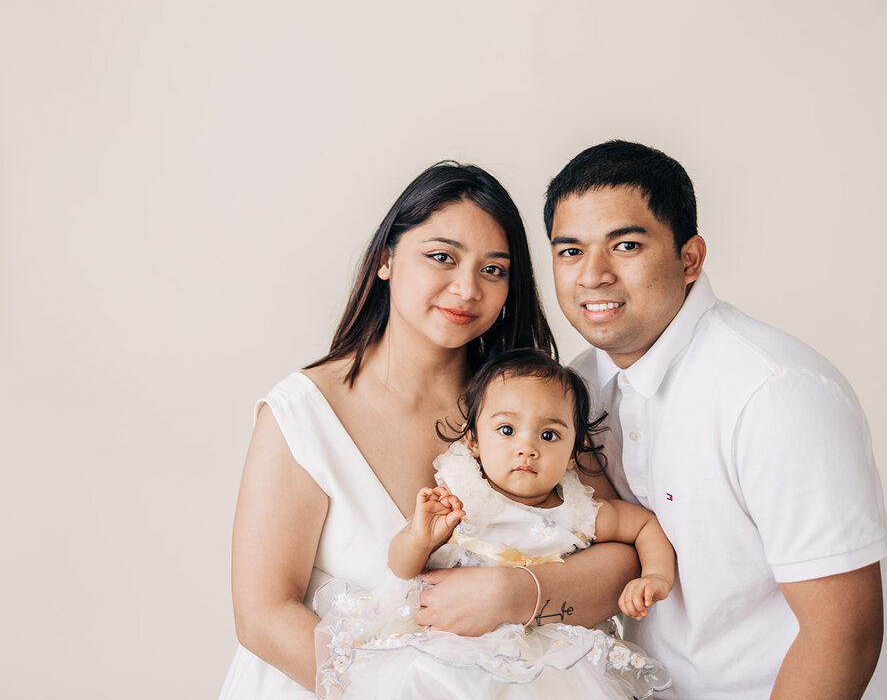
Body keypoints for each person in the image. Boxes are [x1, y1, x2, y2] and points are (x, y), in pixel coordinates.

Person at [220, 162, 640, 699]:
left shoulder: (529, 404)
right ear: (385, 259)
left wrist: (517, 592)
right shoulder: (303, 414)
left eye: (494, 270)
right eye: (441, 257)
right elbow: (262, 616)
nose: (466, 288)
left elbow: (619, 550)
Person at [544, 140, 887, 699]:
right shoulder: (576, 392)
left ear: (690, 258)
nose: (593, 275)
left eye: (625, 245)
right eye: (570, 251)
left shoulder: (774, 392)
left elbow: (844, 634)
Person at [313, 349, 675, 699]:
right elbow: (401, 568)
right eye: (506, 430)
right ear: (473, 440)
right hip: (450, 646)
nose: (527, 448)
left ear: (573, 454)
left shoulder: (578, 512)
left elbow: (644, 525)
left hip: (544, 657)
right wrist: (419, 540)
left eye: (548, 435)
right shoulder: (462, 499)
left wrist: (656, 576)